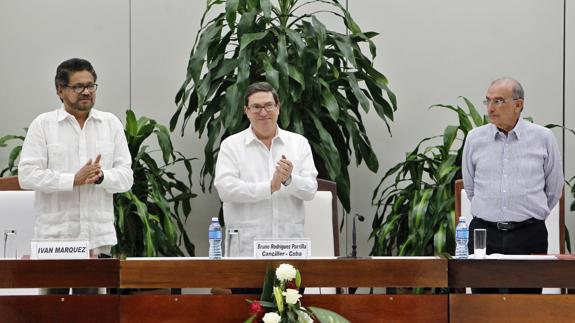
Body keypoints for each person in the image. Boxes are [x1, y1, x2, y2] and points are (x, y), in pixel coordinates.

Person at [18, 58, 133, 294]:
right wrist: (73, 180)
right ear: (60, 90)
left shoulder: (110, 124)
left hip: (96, 237)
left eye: (91, 86)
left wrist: (101, 177)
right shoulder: (43, 125)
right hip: (55, 241)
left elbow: (126, 177)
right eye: (78, 87)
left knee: (92, 313)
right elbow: (27, 175)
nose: (86, 92)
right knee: (50, 313)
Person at [462, 77, 563, 294]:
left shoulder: (543, 138)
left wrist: (528, 215)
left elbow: (554, 188)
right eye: (487, 101)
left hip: (528, 234)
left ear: (519, 104)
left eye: (498, 101)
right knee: (481, 308)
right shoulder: (474, 139)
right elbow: (470, 188)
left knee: (526, 307)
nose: (490, 108)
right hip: (483, 234)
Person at [214, 81, 318, 257]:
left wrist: (289, 180)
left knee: (291, 286)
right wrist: (269, 187)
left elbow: (310, 190)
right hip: (246, 251)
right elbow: (226, 190)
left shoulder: (298, 143)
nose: (263, 112)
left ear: (278, 107)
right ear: (246, 111)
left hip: (289, 249)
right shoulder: (231, 146)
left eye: (269, 105)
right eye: (256, 107)